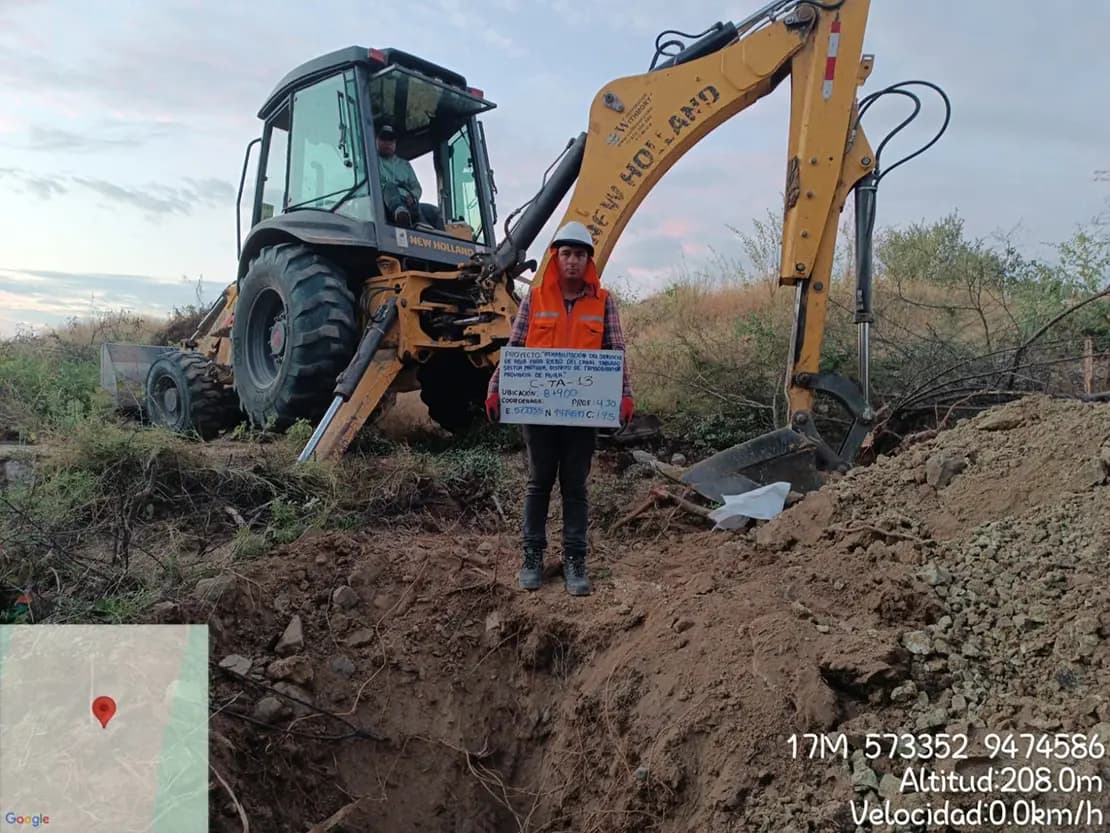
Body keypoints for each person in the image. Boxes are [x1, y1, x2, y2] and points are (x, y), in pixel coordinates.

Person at [485, 221, 634, 596]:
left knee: (575, 486)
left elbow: (616, 352)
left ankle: (575, 560)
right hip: (538, 412)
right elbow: (515, 347)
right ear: (556, 258)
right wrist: (495, 388)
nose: (572, 261)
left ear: (588, 262)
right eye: (566, 254)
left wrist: (624, 394)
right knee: (538, 483)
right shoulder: (535, 300)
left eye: (579, 255)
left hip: (583, 413)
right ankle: (532, 556)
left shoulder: (604, 302)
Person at [375, 119, 443, 228]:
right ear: (377, 140)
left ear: (395, 143)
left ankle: (439, 239)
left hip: (408, 202)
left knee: (433, 211)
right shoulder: (372, 161)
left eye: (391, 140)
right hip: (385, 204)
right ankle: (400, 213)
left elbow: (416, 187)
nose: (387, 143)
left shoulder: (404, 165)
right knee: (389, 186)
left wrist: (412, 196)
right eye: (384, 139)